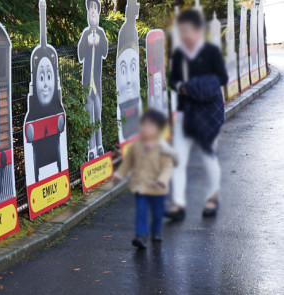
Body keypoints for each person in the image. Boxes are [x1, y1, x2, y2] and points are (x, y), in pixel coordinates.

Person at [165, 9, 228, 221]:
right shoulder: (179, 54)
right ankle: (178, 205)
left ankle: (212, 198)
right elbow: (172, 80)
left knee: (208, 156)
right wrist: (182, 86)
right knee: (179, 160)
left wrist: (195, 87)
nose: (184, 35)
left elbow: (222, 77)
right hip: (185, 112)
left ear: (198, 30)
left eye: (187, 31)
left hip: (208, 114)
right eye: (181, 31)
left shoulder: (210, 52)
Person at [115, 110, 177, 249]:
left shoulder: (163, 148)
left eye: (150, 126)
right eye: (144, 125)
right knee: (141, 211)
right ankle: (141, 236)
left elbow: (168, 166)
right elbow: (128, 162)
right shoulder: (136, 145)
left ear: (158, 130)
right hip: (140, 186)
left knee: (157, 212)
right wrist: (120, 174)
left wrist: (163, 179)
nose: (145, 128)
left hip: (157, 188)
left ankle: (156, 231)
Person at [78, 0, 109, 161]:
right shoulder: (85, 34)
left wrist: (99, 41)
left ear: (98, 12)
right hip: (87, 85)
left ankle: (99, 146)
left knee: (98, 113)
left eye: (95, 9)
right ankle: (91, 149)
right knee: (89, 113)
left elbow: (105, 51)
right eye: (91, 9)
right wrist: (87, 43)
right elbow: (80, 55)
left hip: (97, 84)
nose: (93, 11)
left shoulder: (102, 33)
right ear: (88, 12)